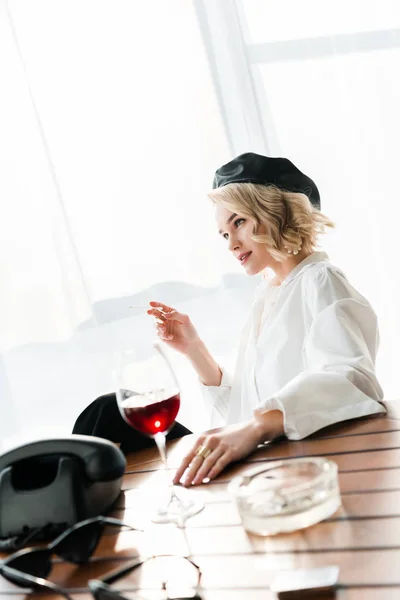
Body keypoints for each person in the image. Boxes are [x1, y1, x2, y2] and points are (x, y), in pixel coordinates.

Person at [73, 152, 386, 486]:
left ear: (274, 211)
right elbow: (244, 408)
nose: (232, 244)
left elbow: (351, 379)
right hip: (261, 463)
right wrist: (193, 349)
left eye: (239, 223)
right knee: (107, 411)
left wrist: (255, 427)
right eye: (224, 234)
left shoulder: (319, 280)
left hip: (288, 470)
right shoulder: (270, 295)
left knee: (107, 415)